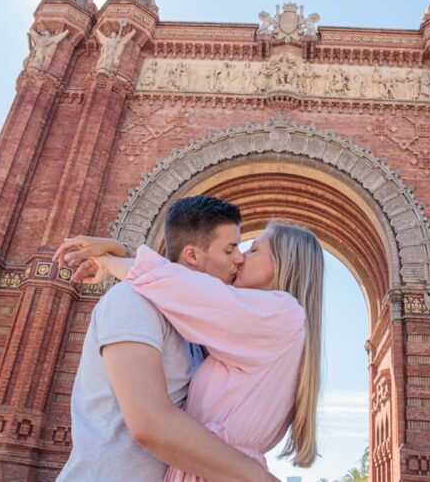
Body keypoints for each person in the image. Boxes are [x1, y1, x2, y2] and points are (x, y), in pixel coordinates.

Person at [53, 195, 278, 481]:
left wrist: (119, 253)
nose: (240, 258)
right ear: (193, 255)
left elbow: (168, 278)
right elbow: (150, 424)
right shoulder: (132, 300)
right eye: (231, 248)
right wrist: (256, 476)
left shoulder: (196, 325)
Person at [81, 219, 325, 481]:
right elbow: (187, 286)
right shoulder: (271, 323)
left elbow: (179, 286)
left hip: (217, 470)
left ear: (283, 262)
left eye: (253, 250)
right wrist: (124, 254)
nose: (241, 259)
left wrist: (109, 260)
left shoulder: (279, 313)